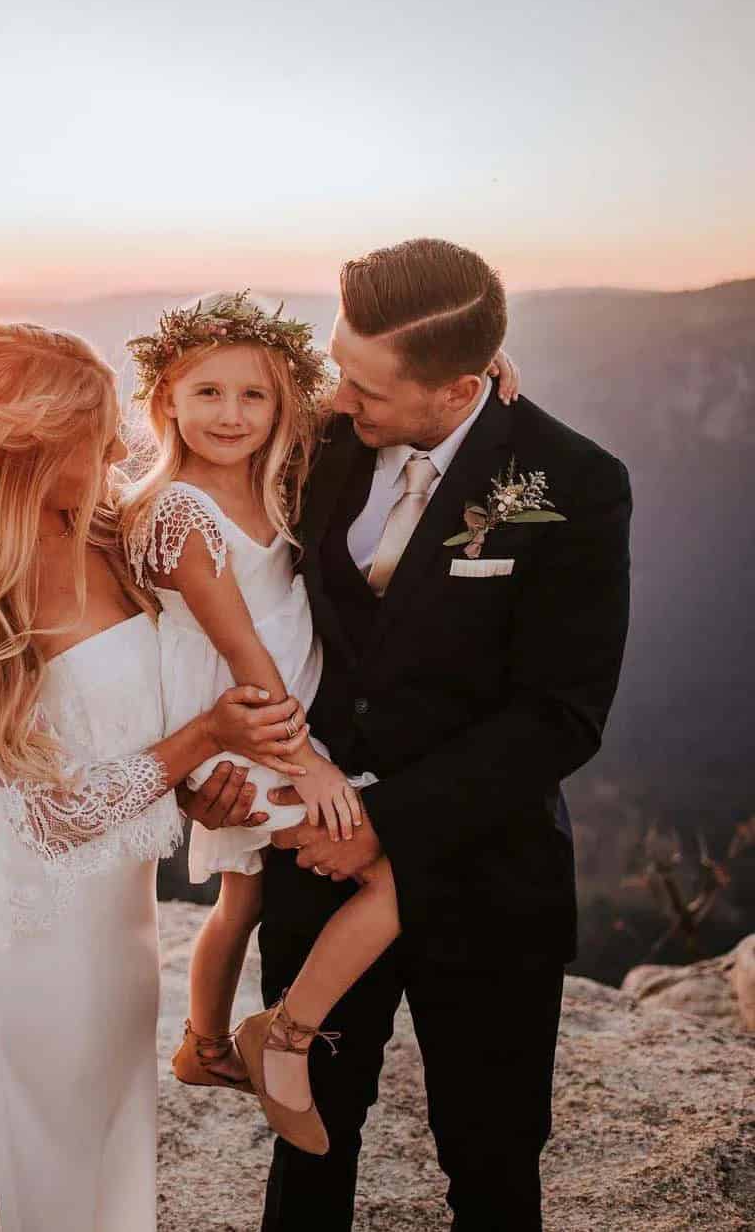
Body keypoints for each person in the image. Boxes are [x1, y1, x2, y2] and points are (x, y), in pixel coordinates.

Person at [211, 238, 632, 1231]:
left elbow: (562, 714)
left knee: (490, 1161)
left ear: (458, 389)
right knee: (309, 1147)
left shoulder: (573, 482)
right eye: (335, 367)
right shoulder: (322, 440)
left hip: (487, 873)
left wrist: (382, 821)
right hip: (312, 864)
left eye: (363, 385)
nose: (339, 397)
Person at [0, 321, 308, 1232]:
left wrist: (197, 782)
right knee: (19, 1158)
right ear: (28, 449)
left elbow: (136, 717)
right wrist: (201, 738)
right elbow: (58, 817)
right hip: (35, 921)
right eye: (91, 433)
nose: (115, 447)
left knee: (84, 1136)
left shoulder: (110, 531)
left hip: (117, 918)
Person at [121, 293, 520, 1158]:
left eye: (254, 397)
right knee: (393, 866)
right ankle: (288, 1034)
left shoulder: (279, 466)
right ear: (166, 404)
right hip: (244, 727)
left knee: (247, 891)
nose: (232, 415)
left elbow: (388, 394)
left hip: (283, 726)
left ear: (283, 405)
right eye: (207, 395)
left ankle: (203, 1043)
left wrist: (476, 372)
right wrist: (312, 769)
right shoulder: (181, 512)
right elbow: (245, 657)